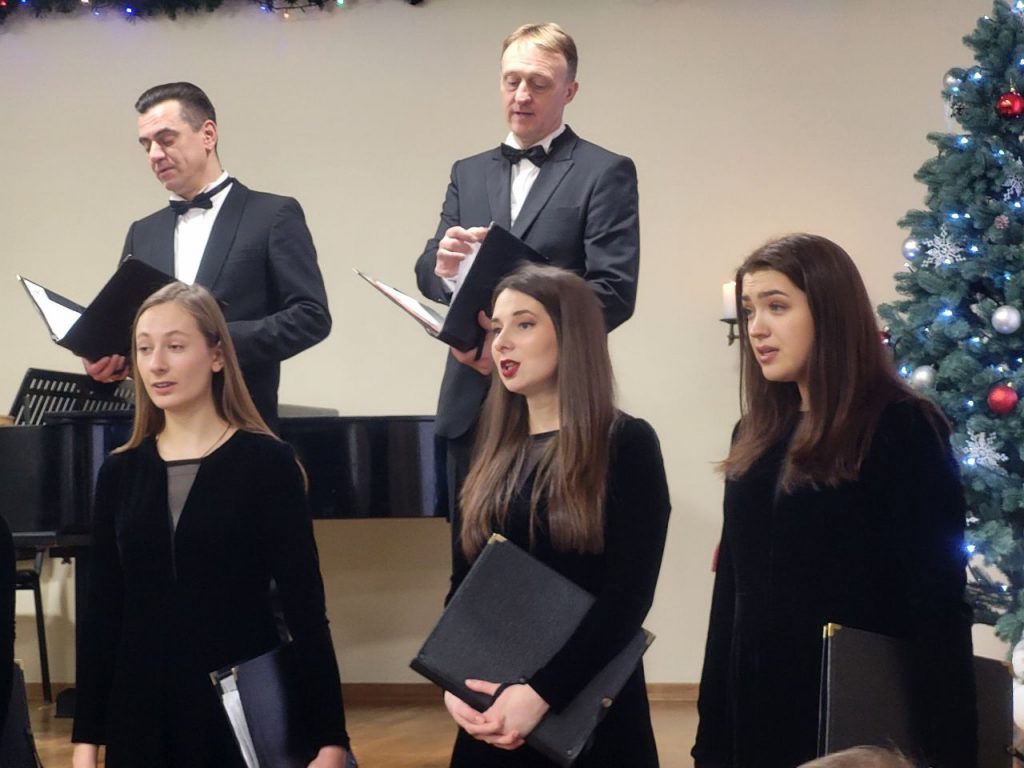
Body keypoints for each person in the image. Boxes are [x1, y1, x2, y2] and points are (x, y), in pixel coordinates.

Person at [691, 234, 977, 768]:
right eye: (750, 310)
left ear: (829, 312)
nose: (756, 328)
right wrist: (710, 740)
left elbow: (936, 602)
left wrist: (946, 753)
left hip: (851, 720)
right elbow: (730, 594)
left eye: (777, 306)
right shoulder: (753, 433)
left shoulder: (901, 426)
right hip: (753, 715)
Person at [71, 282, 350, 768]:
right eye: (144, 348)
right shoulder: (119, 471)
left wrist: (331, 740)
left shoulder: (268, 463)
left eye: (175, 346)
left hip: (235, 712)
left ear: (217, 356)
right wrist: (85, 743)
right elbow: (103, 615)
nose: (156, 364)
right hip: (140, 716)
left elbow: (305, 610)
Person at [442, 264, 670, 767]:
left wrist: (542, 694)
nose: (502, 342)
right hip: (490, 704)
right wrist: (452, 679)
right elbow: (465, 584)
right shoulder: (485, 449)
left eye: (524, 324)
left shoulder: (625, 443)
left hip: (584, 707)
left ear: (572, 335)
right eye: (496, 328)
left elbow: (628, 597)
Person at [414, 22, 640, 519]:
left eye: (538, 83)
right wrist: (444, 267)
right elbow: (427, 270)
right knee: (469, 556)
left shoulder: (604, 171)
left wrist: (525, 344)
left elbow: (613, 291)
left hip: (557, 405)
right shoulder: (468, 171)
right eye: (511, 80)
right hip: (471, 404)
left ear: (569, 91)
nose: (521, 95)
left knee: (549, 551)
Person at [84, 82, 331, 429]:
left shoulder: (272, 215)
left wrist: (215, 343)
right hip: (159, 431)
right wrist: (108, 357)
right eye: (147, 145)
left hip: (241, 425)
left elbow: (311, 316)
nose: (154, 155)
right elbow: (132, 330)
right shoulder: (142, 232)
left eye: (166, 139)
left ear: (208, 134)